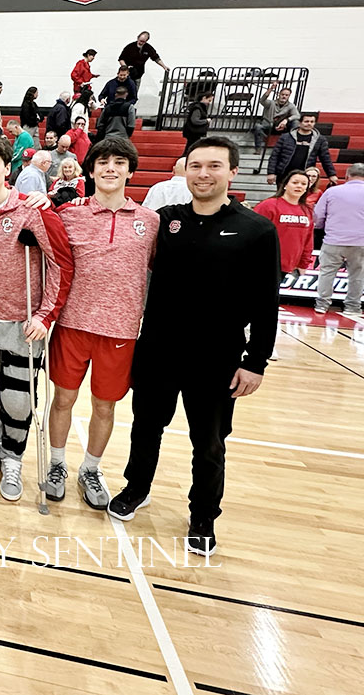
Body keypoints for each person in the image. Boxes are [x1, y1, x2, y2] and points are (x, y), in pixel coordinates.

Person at [110, 136, 278, 556]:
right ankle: (136, 488)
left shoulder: (257, 229)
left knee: (209, 442)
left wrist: (255, 361)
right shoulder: (166, 220)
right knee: (145, 427)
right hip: (159, 348)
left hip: (217, 356)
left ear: (233, 172)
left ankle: (203, 515)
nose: (203, 174)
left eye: (214, 166)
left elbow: (266, 301)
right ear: (185, 170)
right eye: (196, 166)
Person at [45, 137, 159, 509]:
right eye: (103, 162)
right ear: (91, 171)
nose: (111, 168)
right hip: (72, 324)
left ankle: (91, 469)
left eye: (119, 162)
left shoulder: (149, 222)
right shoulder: (69, 213)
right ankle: (57, 465)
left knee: (105, 407)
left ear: (130, 171)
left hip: (121, 330)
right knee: (63, 399)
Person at [0, 135, 73, 501]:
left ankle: (13, 458)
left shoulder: (32, 210)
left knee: (18, 399)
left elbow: (60, 264)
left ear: (7, 168)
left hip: (23, 323)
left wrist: (45, 315)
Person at [312, 162, 364, 318]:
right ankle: (352, 307)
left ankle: (322, 304)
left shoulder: (332, 192)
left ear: (346, 176)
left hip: (334, 240)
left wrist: (322, 227)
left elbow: (318, 216)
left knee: (327, 272)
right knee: (358, 276)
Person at [253, 170, 315, 286]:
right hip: (263, 263)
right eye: (295, 182)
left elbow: (308, 240)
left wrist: (303, 263)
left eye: (303, 184)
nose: (299, 186)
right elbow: (252, 233)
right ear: (285, 185)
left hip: (287, 265)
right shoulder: (268, 205)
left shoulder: (307, 211)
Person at [266, 114, 338, 187]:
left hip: (306, 176)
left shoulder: (320, 140)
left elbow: (325, 158)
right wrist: (271, 173)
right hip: (284, 175)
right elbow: (275, 156)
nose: (309, 123)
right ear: (300, 123)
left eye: (312, 122)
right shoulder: (285, 137)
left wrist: (331, 174)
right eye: (306, 121)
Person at [253, 83, 300, 154]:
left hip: (282, 127)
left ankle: (292, 146)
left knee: (295, 122)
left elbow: (297, 115)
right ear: (279, 94)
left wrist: (286, 120)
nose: (284, 96)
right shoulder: (271, 103)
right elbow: (262, 101)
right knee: (258, 126)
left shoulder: (291, 106)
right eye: (282, 94)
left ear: (289, 96)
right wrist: (271, 89)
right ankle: (258, 149)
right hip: (269, 125)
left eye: (286, 95)